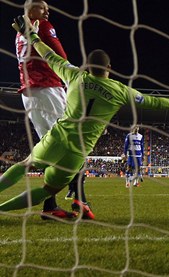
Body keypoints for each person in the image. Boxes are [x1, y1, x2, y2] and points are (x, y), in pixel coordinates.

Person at [0, 15, 169, 217]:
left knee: (24, 166)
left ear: (87, 67)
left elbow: (49, 56)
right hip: (78, 151)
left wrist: (33, 37)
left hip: (57, 138)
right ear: (109, 69)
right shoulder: (120, 90)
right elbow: (153, 101)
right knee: (47, 191)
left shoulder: (75, 75)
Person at [15, 0, 90, 220]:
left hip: (31, 95)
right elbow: (60, 57)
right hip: (47, 90)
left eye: (47, 8)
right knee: (75, 143)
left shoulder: (19, 32)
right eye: (42, 7)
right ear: (30, 10)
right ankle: (79, 198)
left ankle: (57, 203)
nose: (47, 11)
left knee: (55, 151)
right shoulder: (44, 27)